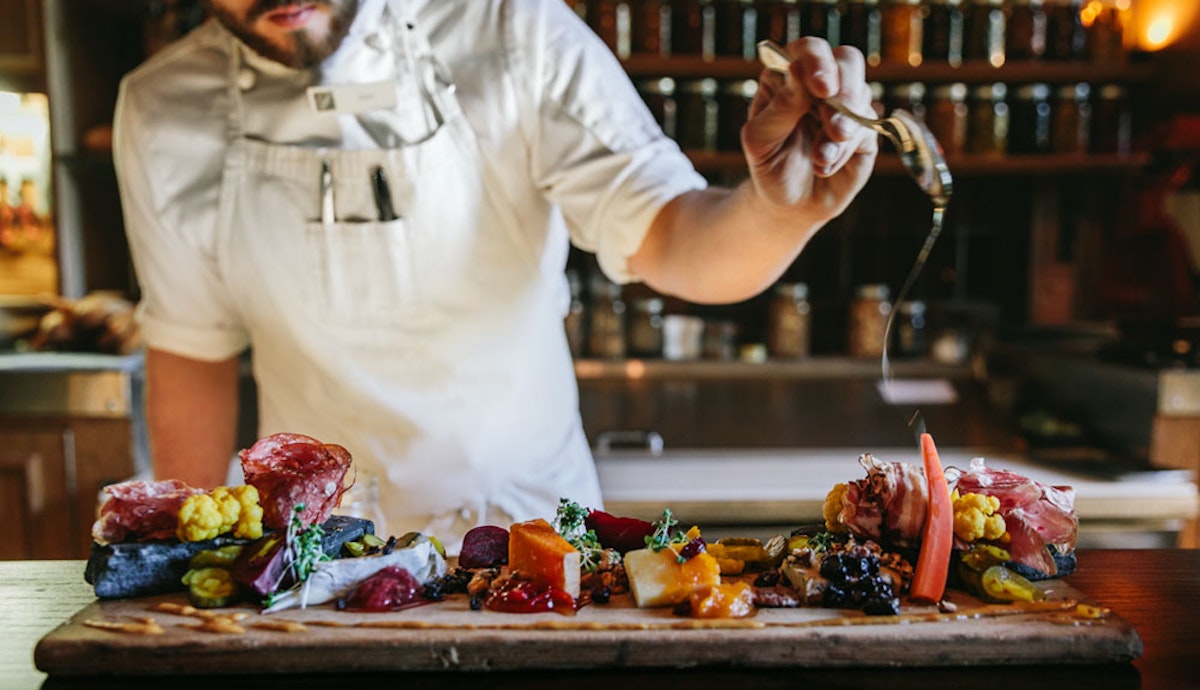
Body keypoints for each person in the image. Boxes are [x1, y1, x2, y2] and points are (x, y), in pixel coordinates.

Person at [114, 0, 877, 548]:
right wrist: (184, 561)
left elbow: (673, 238)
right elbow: (192, 348)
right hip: (315, 563)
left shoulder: (517, 29)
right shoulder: (162, 109)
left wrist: (782, 212)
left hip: (531, 537)